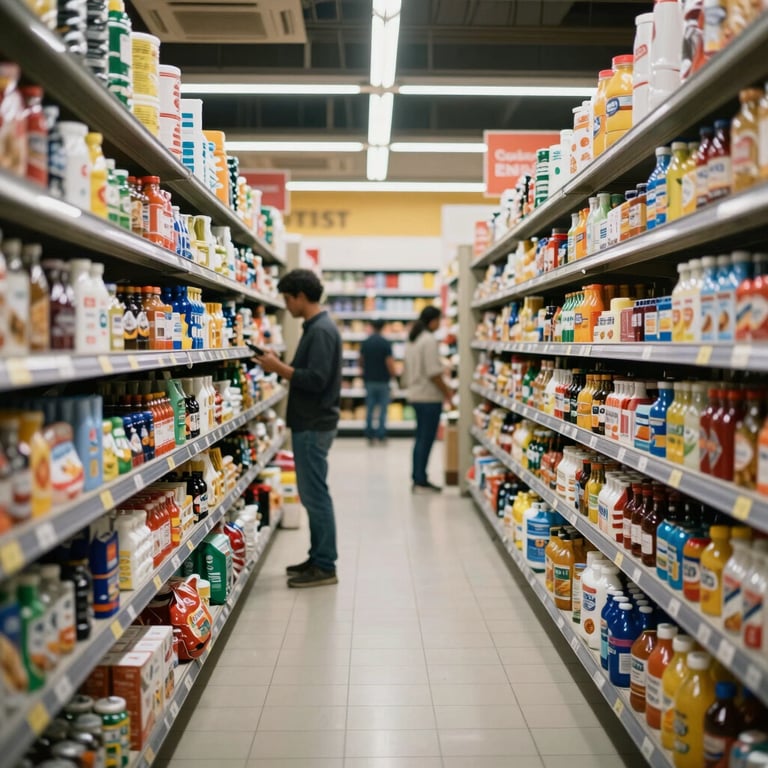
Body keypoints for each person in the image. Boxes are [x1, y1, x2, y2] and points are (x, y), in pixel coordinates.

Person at [254, 269, 342, 588]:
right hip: (313, 421)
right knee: (312, 492)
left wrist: (280, 368)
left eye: (288, 299)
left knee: (315, 495)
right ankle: (317, 557)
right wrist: (283, 366)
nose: (286, 305)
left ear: (300, 296)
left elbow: (316, 380)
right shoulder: (317, 327)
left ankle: (325, 564)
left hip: (314, 422)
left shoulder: (320, 330)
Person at [403, 305, 453, 493]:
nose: (439, 324)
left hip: (415, 394)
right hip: (429, 397)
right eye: (439, 320)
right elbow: (434, 373)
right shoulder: (429, 340)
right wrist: (448, 392)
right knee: (426, 439)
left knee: (420, 438)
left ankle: (418, 478)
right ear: (433, 321)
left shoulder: (412, 339)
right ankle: (420, 480)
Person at [360, 319, 397, 445]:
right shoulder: (385, 343)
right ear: (383, 327)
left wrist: (363, 372)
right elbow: (389, 362)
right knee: (382, 409)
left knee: (370, 408)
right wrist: (393, 375)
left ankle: (369, 435)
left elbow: (361, 360)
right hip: (383, 381)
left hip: (369, 380)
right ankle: (381, 435)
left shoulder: (366, 342)